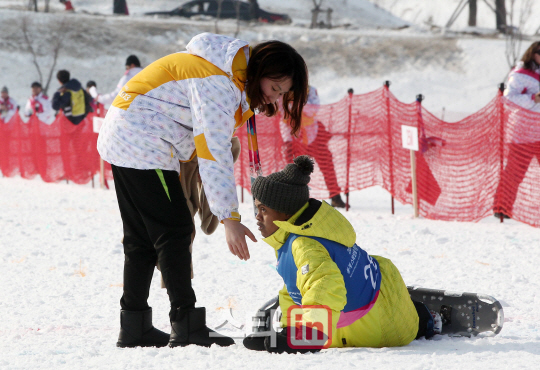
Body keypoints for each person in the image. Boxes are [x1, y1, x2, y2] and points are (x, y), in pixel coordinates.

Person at [97, 32, 309, 348]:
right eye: (274, 88)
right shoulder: (219, 84)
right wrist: (229, 218)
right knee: (176, 230)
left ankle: (134, 325)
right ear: (258, 71)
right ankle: (186, 326)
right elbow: (212, 150)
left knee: (142, 237)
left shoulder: (225, 72)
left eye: (283, 93)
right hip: (142, 141)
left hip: (128, 135)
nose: (275, 98)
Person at [243, 156, 440, 354]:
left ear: (285, 213)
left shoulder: (304, 244)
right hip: (371, 302)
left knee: (411, 320)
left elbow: (324, 284)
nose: (258, 217)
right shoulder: (301, 234)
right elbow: (295, 289)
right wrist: (289, 331)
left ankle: (428, 318)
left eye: (263, 209)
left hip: (384, 324)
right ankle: (415, 310)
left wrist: (308, 335)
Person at [495, 41, 540, 219]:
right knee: (515, 173)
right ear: (533, 53)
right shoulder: (521, 75)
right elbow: (509, 99)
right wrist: (532, 98)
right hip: (524, 133)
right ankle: (502, 207)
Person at [280, 85, 346, 208]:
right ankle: (293, 198)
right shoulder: (282, 90)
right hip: (291, 136)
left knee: (327, 165)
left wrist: (296, 105)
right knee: (292, 169)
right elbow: (283, 110)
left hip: (313, 134)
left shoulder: (310, 90)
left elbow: (314, 108)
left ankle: (335, 196)